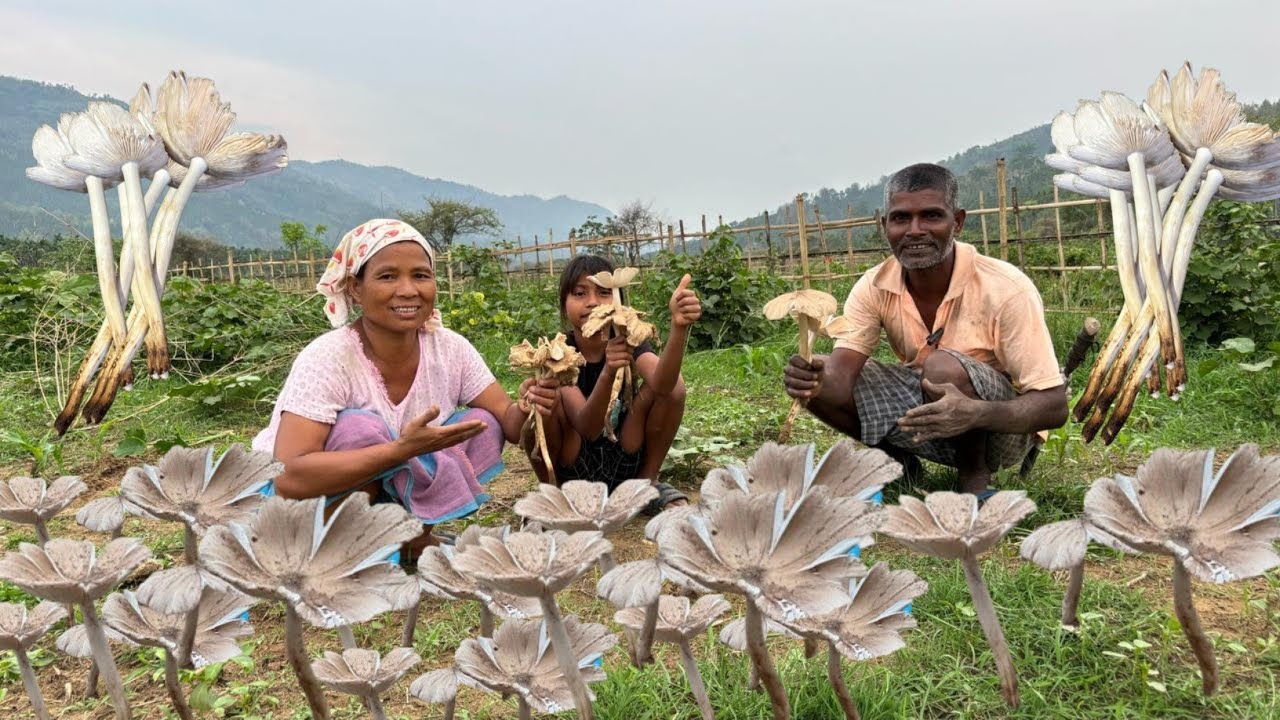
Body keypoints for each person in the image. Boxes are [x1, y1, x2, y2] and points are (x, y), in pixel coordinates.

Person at [251, 218, 558, 557]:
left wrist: (529, 404)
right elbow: (288, 477)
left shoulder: (449, 349)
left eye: (420, 275)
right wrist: (401, 451)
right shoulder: (330, 357)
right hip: (298, 507)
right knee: (358, 428)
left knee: (480, 425)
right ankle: (337, 547)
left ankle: (409, 535)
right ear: (355, 287)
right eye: (387, 276)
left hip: (384, 478)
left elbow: (508, 422)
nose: (408, 290)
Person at [783, 163, 1068, 496]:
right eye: (901, 218)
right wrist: (810, 380)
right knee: (819, 373)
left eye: (931, 216)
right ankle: (899, 463)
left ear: (957, 222)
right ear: (884, 225)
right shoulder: (874, 285)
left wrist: (975, 413)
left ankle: (974, 481)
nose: (915, 231)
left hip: (1000, 431)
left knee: (942, 366)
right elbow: (841, 376)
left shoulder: (1006, 289)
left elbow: (1054, 406)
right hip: (929, 416)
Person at [529, 254, 701, 511]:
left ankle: (646, 484)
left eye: (604, 293)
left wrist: (679, 327)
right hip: (576, 466)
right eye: (579, 293)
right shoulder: (558, 352)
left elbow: (665, 386)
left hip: (625, 457)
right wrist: (609, 371)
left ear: (619, 299)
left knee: (675, 386)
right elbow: (588, 427)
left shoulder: (630, 341)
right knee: (542, 404)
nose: (593, 302)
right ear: (564, 304)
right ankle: (553, 496)